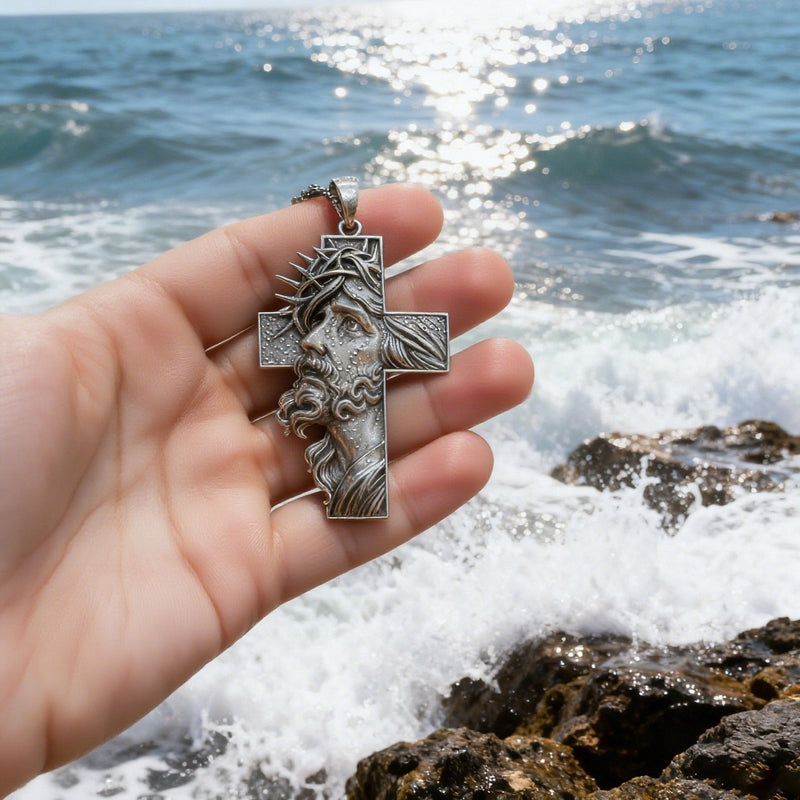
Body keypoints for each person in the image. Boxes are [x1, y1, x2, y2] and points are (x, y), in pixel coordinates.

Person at [0, 183, 534, 796]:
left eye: (341, 329)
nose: (310, 344)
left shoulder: (397, 348)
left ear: (379, 342)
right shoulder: (307, 357)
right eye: (313, 329)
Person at [275, 237, 448, 518]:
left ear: (388, 349)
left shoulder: (369, 484)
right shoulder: (335, 471)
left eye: (350, 325)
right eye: (317, 321)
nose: (311, 340)